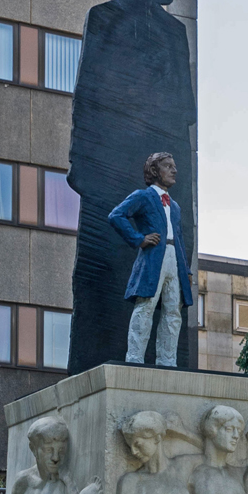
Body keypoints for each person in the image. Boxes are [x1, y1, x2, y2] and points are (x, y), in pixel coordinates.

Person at [66, 0, 196, 373]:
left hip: (161, 166)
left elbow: (185, 116)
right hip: (108, 173)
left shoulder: (174, 34)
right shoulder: (104, 20)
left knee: (168, 295)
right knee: (101, 284)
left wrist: (184, 196)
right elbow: (86, 98)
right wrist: (83, 169)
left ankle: (161, 364)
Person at [107, 154, 196, 366]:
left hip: (174, 259)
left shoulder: (174, 206)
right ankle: (135, 359)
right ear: (155, 171)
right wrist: (139, 239)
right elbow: (116, 216)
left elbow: (180, 238)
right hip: (153, 258)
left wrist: (186, 269)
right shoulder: (143, 196)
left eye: (174, 166)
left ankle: (167, 361)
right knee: (145, 307)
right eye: (168, 166)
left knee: (173, 311)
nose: (174, 170)